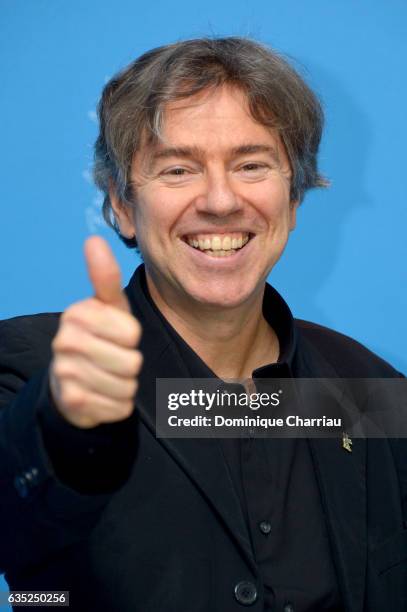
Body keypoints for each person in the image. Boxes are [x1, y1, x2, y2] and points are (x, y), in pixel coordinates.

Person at [0, 37, 405, 612]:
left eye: (251, 164)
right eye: (178, 168)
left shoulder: (376, 393)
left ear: (292, 198)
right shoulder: (30, 365)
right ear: (119, 202)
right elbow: (26, 549)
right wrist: (69, 426)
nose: (220, 200)